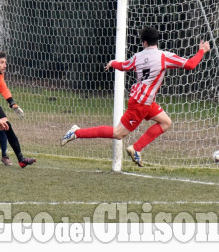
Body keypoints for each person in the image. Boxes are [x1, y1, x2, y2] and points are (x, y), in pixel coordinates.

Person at [60, 26, 211, 167]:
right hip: (141, 103)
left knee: (165, 122)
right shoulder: (164, 56)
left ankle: (136, 149)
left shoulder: (137, 57)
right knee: (118, 133)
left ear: (144, 42)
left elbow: (124, 66)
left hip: (143, 100)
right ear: (156, 41)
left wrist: (112, 63)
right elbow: (191, 64)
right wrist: (201, 51)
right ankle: (76, 132)